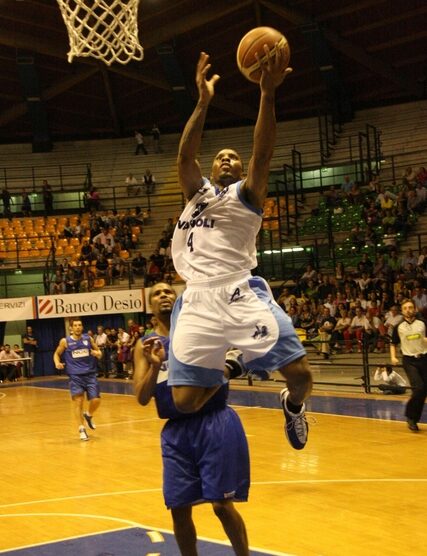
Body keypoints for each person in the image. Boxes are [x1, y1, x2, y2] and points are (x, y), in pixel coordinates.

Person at [168, 49, 313, 451]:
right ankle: (233, 361)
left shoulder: (246, 194)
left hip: (239, 289)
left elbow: (263, 152)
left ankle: (293, 407)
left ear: (241, 168)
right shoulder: (196, 194)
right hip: (196, 296)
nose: (227, 160)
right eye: (220, 157)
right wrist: (202, 101)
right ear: (211, 169)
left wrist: (267, 94)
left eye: (233, 156)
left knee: (301, 377)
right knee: (185, 400)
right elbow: (183, 156)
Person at [134, 282, 250, 555]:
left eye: (168, 292)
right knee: (179, 508)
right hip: (176, 432)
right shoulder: (145, 345)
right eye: (156, 294)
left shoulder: (202, 330)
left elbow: (238, 357)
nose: (163, 295)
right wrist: (153, 366)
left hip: (214, 422)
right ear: (149, 306)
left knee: (222, 506)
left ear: (178, 301)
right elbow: (141, 397)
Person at [53, 317, 102, 441]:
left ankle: (89, 415)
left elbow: (99, 352)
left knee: (96, 400)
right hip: (75, 376)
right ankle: (81, 429)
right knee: (79, 402)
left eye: (80, 325)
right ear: (71, 328)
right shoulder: (65, 341)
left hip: (90, 375)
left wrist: (97, 354)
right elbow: (57, 354)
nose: (78, 327)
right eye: (75, 325)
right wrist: (57, 363)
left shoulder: (88, 339)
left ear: (82, 327)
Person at [390, 298, 427, 432]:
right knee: (418, 388)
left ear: (415, 309)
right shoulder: (398, 327)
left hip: (424, 358)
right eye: (405, 308)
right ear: (402, 311)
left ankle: (413, 418)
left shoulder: (423, 323)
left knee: (423, 391)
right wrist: (393, 357)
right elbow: (393, 343)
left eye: (410, 307)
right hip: (409, 360)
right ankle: (410, 417)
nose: (408, 310)